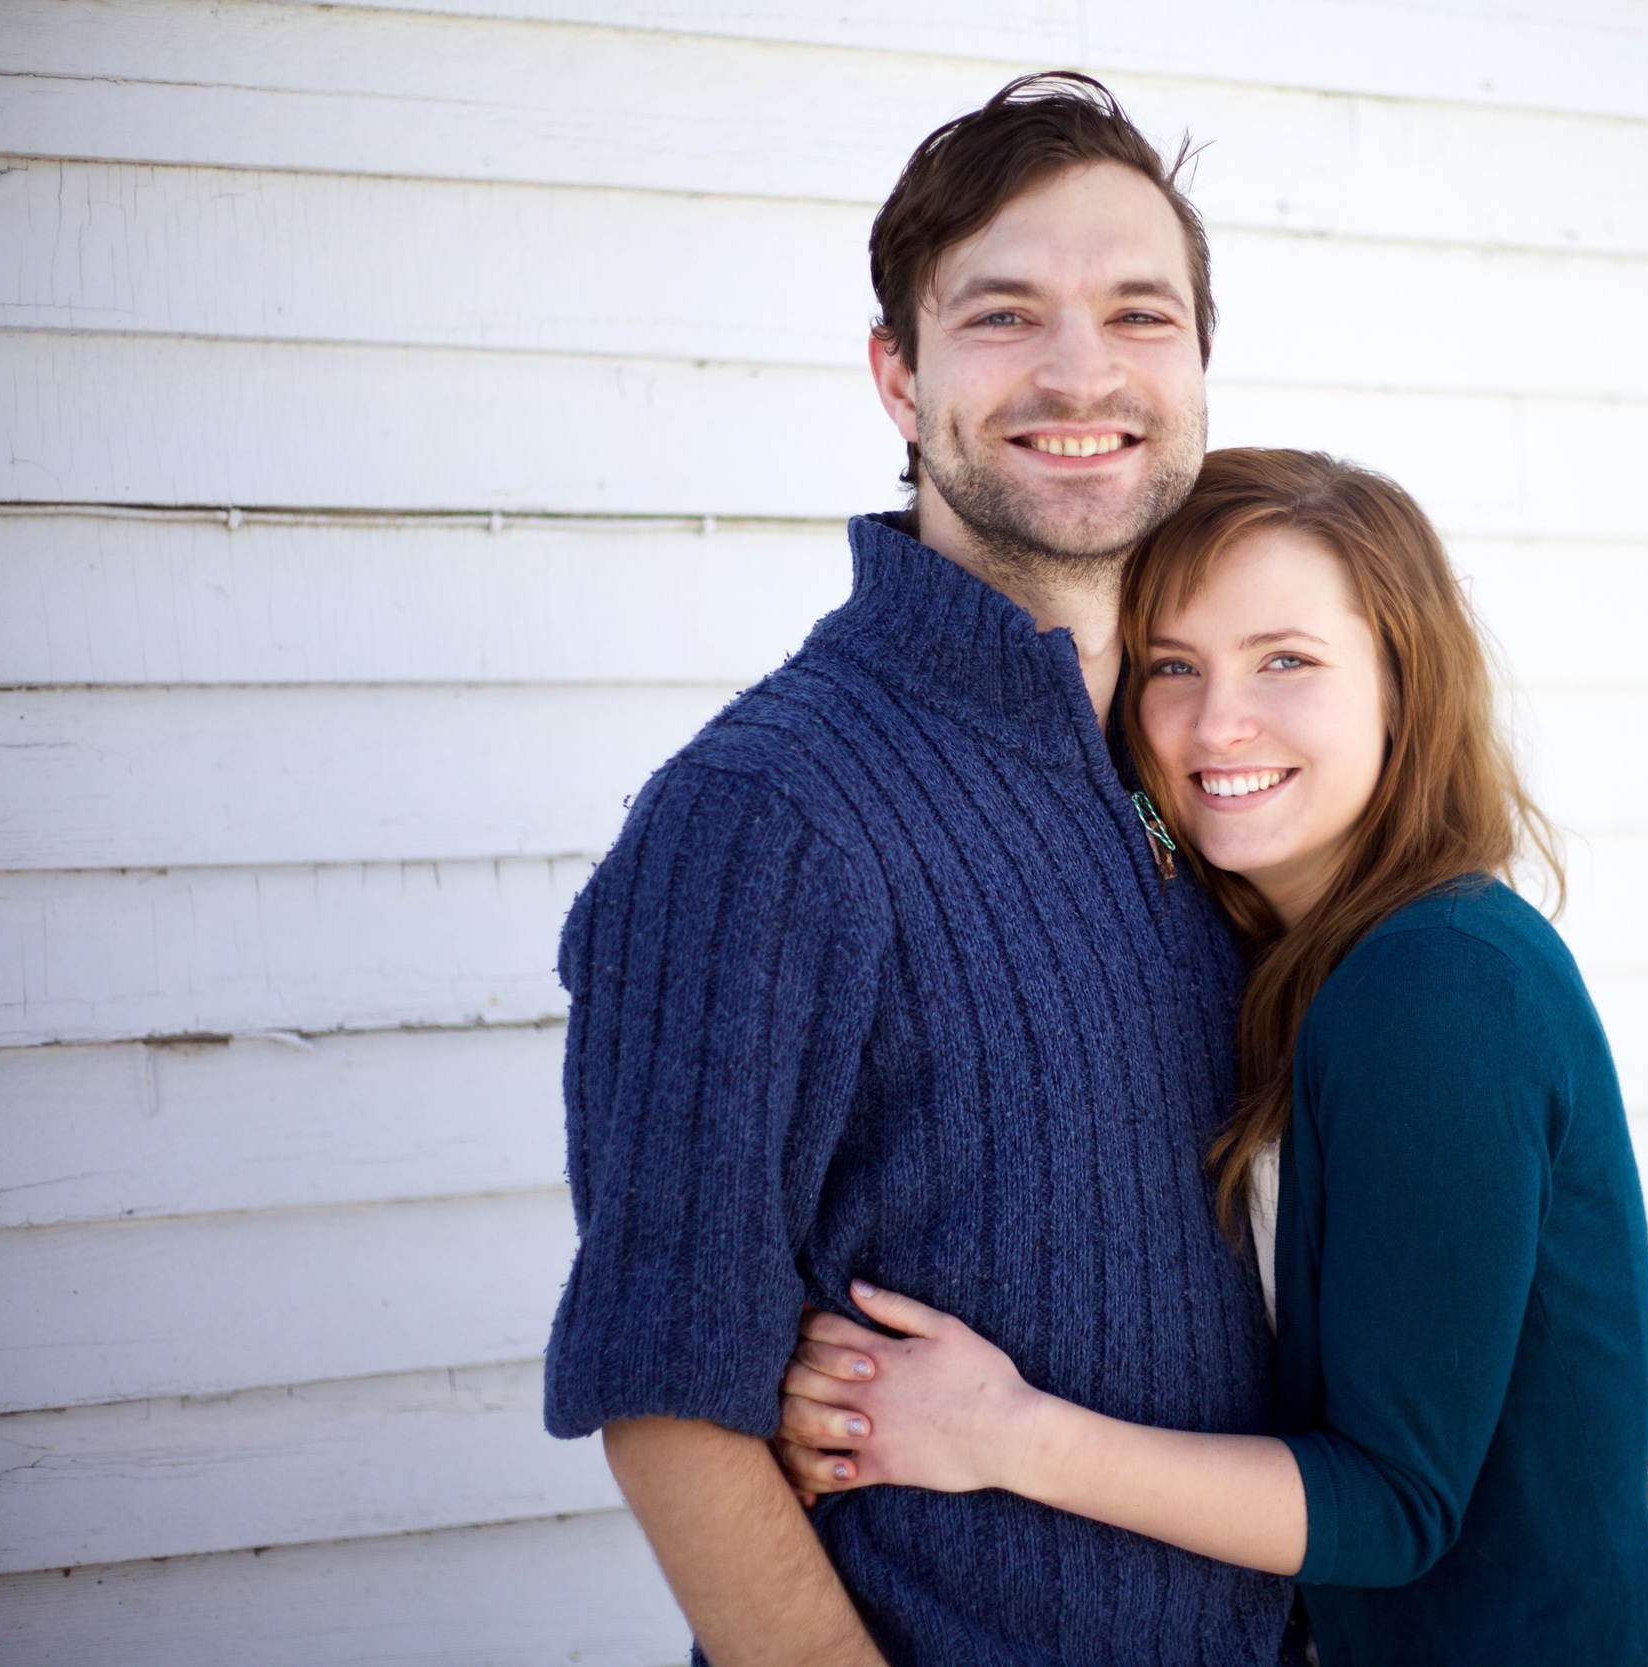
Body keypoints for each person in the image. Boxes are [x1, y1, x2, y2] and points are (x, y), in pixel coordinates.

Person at [542, 74, 1295, 1667]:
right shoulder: (766, 810)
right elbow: (668, 1396)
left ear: (1200, 365)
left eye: (1139, 315)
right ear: (899, 374)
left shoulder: (1201, 773)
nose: (1081, 371)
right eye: (1005, 316)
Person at [776, 450, 1648, 1666]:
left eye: (1286, 661)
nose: (1219, 721)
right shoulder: (1279, 956)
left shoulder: (1432, 982)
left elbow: (1392, 1505)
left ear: (1400, 688)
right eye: (1174, 665)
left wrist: (1002, 1432)